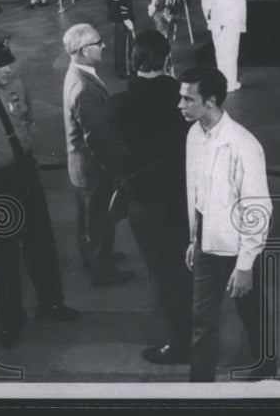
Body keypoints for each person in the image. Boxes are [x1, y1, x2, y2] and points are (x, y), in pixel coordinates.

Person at [0, 38, 80, 349]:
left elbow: (26, 115)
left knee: (41, 240)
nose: (9, 68)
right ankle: (11, 319)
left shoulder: (15, 84)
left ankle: (51, 305)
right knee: (4, 255)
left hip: (24, 174)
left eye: (9, 62)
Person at [179, 66, 276, 382]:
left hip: (238, 247)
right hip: (207, 242)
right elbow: (198, 195)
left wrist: (246, 264)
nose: (180, 105)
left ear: (209, 102)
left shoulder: (244, 145)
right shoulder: (194, 135)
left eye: (186, 99)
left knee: (253, 316)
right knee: (202, 321)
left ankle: (266, 374)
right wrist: (195, 239)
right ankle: (201, 390)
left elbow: (258, 208)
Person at [108, 31, 193, 365]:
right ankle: (191, 327)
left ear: (133, 61)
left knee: (161, 269)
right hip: (183, 195)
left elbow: (117, 154)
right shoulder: (182, 95)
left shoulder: (119, 104)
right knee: (182, 265)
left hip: (145, 201)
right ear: (167, 58)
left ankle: (178, 342)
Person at [62, 24, 134, 287]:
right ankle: (102, 272)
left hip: (80, 166)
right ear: (83, 50)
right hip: (93, 169)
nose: (103, 46)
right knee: (100, 219)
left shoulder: (77, 74)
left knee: (90, 219)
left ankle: (94, 258)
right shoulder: (84, 88)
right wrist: (117, 171)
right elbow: (97, 138)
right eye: (98, 42)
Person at [200, 0, 247, 91]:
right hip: (232, 20)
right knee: (232, 51)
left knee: (219, 51)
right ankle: (231, 83)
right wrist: (243, 23)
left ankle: (222, 82)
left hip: (217, 20)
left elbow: (205, 3)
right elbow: (241, 4)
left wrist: (208, 19)